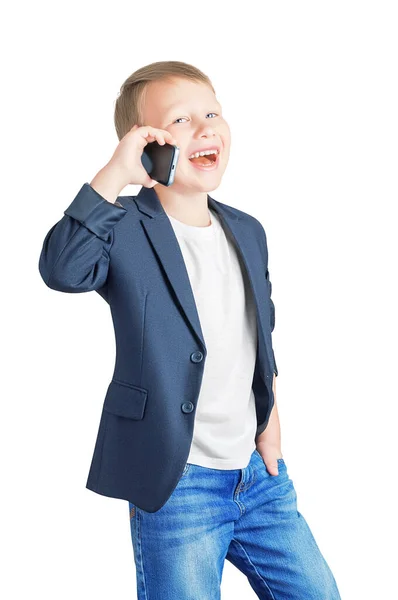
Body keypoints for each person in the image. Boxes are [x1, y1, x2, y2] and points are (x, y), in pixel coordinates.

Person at [38, 60, 342, 599]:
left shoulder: (247, 230)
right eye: (180, 121)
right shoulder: (123, 223)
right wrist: (114, 174)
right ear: (144, 142)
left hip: (258, 478)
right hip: (180, 482)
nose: (204, 127)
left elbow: (258, 337)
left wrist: (269, 418)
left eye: (212, 113)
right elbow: (63, 270)